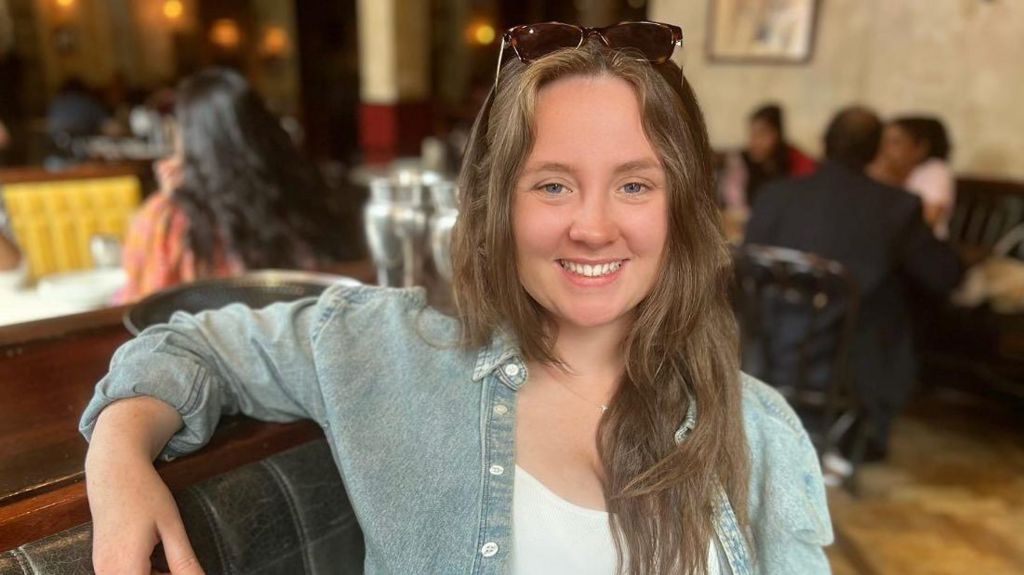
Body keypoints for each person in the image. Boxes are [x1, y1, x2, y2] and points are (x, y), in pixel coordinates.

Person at [81, 24, 832, 575]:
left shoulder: (759, 429)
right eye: (552, 184)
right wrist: (118, 463)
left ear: (682, 207)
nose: (594, 225)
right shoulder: (392, 349)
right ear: (496, 203)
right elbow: (188, 346)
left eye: (635, 184)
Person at [745, 106, 962, 460]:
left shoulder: (775, 196)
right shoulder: (896, 206)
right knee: (895, 302)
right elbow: (944, 275)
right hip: (846, 367)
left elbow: (750, 263)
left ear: (823, 143)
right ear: (876, 151)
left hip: (763, 352)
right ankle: (862, 434)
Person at [116, 68, 357, 302]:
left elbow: (141, 302)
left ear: (188, 137)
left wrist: (168, 200)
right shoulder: (305, 196)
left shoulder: (167, 220)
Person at [869, 116, 956, 239]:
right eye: (884, 142)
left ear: (921, 148)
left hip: (921, 247)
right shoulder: (890, 171)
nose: (886, 149)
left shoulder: (935, 170)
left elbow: (929, 219)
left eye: (896, 142)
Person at [721, 103, 817, 214]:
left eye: (762, 134)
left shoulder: (797, 161)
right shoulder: (742, 162)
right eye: (752, 135)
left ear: (777, 134)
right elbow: (734, 206)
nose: (755, 142)